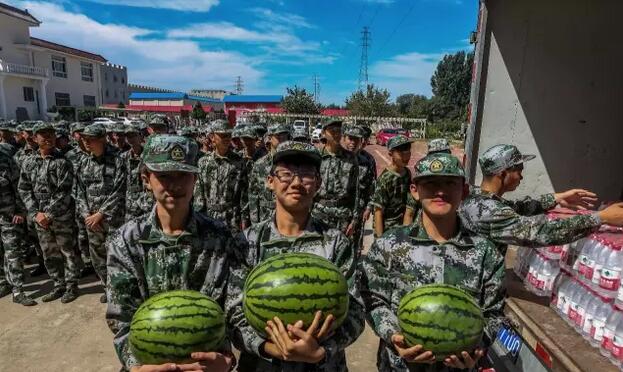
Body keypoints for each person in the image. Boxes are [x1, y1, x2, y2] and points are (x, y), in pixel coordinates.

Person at [360, 153, 506, 372]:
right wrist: (394, 336)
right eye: (430, 184)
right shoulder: (389, 244)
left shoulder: (486, 253)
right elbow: (372, 300)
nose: (440, 191)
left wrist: (477, 348)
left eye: (450, 183)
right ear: (415, 191)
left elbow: (493, 314)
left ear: (464, 191)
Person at [228, 141, 365, 372]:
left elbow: (356, 312)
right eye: (286, 174)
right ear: (270, 181)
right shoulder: (247, 241)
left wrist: (323, 351)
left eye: (306, 175)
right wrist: (271, 348)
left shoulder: (336, 242)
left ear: (318, 184)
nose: (296, 183)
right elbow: (232, 312)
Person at [106, 135, 239, 372]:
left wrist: (227, 359)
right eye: (164, 176)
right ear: (146, 179)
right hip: (149, 365)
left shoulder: (221, 236)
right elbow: (121, 317)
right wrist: (135, 365)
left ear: (195, 179)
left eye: (183, 175)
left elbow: (232, 308)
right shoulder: (126, 240)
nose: (175, 185)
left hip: (208, 364)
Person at [460, 144, 623, 249]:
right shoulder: (489, 211)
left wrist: (556, 198)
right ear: (503, 174)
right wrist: (600, 217)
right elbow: (540, 232)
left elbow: (518, 207)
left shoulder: (477, 197)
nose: (521, 177)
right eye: (519, 171)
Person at [18, 122, 80, 303]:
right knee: (49, 253)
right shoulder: (28, 161)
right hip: (39, 218)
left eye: (51, 134)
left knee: (67, 251)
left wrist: (49, 214)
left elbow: (64, 191)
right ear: (35, 138)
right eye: (43, 135)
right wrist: (35, 212)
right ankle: (58, 285)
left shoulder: (63, 162)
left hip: (61, 216)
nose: (48, 138)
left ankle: (71, 287)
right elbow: (24, 188)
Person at [75, 123, 127, 303]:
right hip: (91, 221)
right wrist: (86, 214)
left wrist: (101, 214)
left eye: (90, 139)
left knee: (116, 256)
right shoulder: (83, 162)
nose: (86, 143)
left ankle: (120, 288)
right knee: (98, 257)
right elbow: (79, 191)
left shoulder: (118, 160)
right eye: (84, 139)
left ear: (102, 140)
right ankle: (107, 287)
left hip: (113, 220)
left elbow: (120, 190)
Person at [194, 119, 249, 232]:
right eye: (222, 135)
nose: (227, 139)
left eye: (229, 135)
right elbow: (199, 194)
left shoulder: (239, 162)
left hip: (232, 219)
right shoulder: (204, 162)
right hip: (209, 218)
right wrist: (198, 217)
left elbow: (244, 194)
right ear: (213, 137)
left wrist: (245, 220)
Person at [312, 120, 360, 238]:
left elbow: (355, 191)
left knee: (340, 252)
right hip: (319, 213)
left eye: (339, 131)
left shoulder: (350, 158)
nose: (336, 134)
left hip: (342, 215)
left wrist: (354, 219)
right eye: (332, 131)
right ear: (324, 133)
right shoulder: (315, 156)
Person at [0, 143, 35, 306]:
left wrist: (21, 211)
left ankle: (18, 290)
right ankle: (3, 283)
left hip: (9, 216)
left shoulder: (6, 160)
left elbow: (19, 187)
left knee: (13, 252)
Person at [370, 135, 414, 237]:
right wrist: (380, 240)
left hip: (403, 227)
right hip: (388, 230)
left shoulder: (407, 173)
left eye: (408, 151)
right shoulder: (385, 179)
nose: (406, 155)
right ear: (390, 153)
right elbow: (378, 212)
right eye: (401, 152)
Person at [65, 122, 94, 276]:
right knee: (82, 236)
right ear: (73, 135)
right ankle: (88, 262)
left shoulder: (95, 152)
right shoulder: (70, 155)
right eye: (78, 132)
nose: (81, 135)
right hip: (77, 202)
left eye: (83, 132)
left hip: (95, 202)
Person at [247, 123, 290, 225]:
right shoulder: (260, 164)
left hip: (286, 216)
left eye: (285, 136)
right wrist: (254, 222)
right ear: (270, 138)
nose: (282, 139)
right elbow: (253, 194)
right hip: (265, 216)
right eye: (278, 136)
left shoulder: (292, 163)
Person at [342, 124, 375, 249]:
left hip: (358, 212)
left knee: (355, 247)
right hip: (338, 213)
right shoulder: (336, 159)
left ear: (361, 141)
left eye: (356, 139)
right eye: (350, 138)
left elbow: (371, 187)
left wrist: (368, 208)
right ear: (344, 139)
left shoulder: (366, 162)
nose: (352, 143)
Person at [403, 138, 449, 226]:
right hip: (423, 230)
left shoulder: (455, 178)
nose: (440, 160)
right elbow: (409, 214)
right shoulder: (422, 178)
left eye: (444, 156)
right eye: (435, 156)